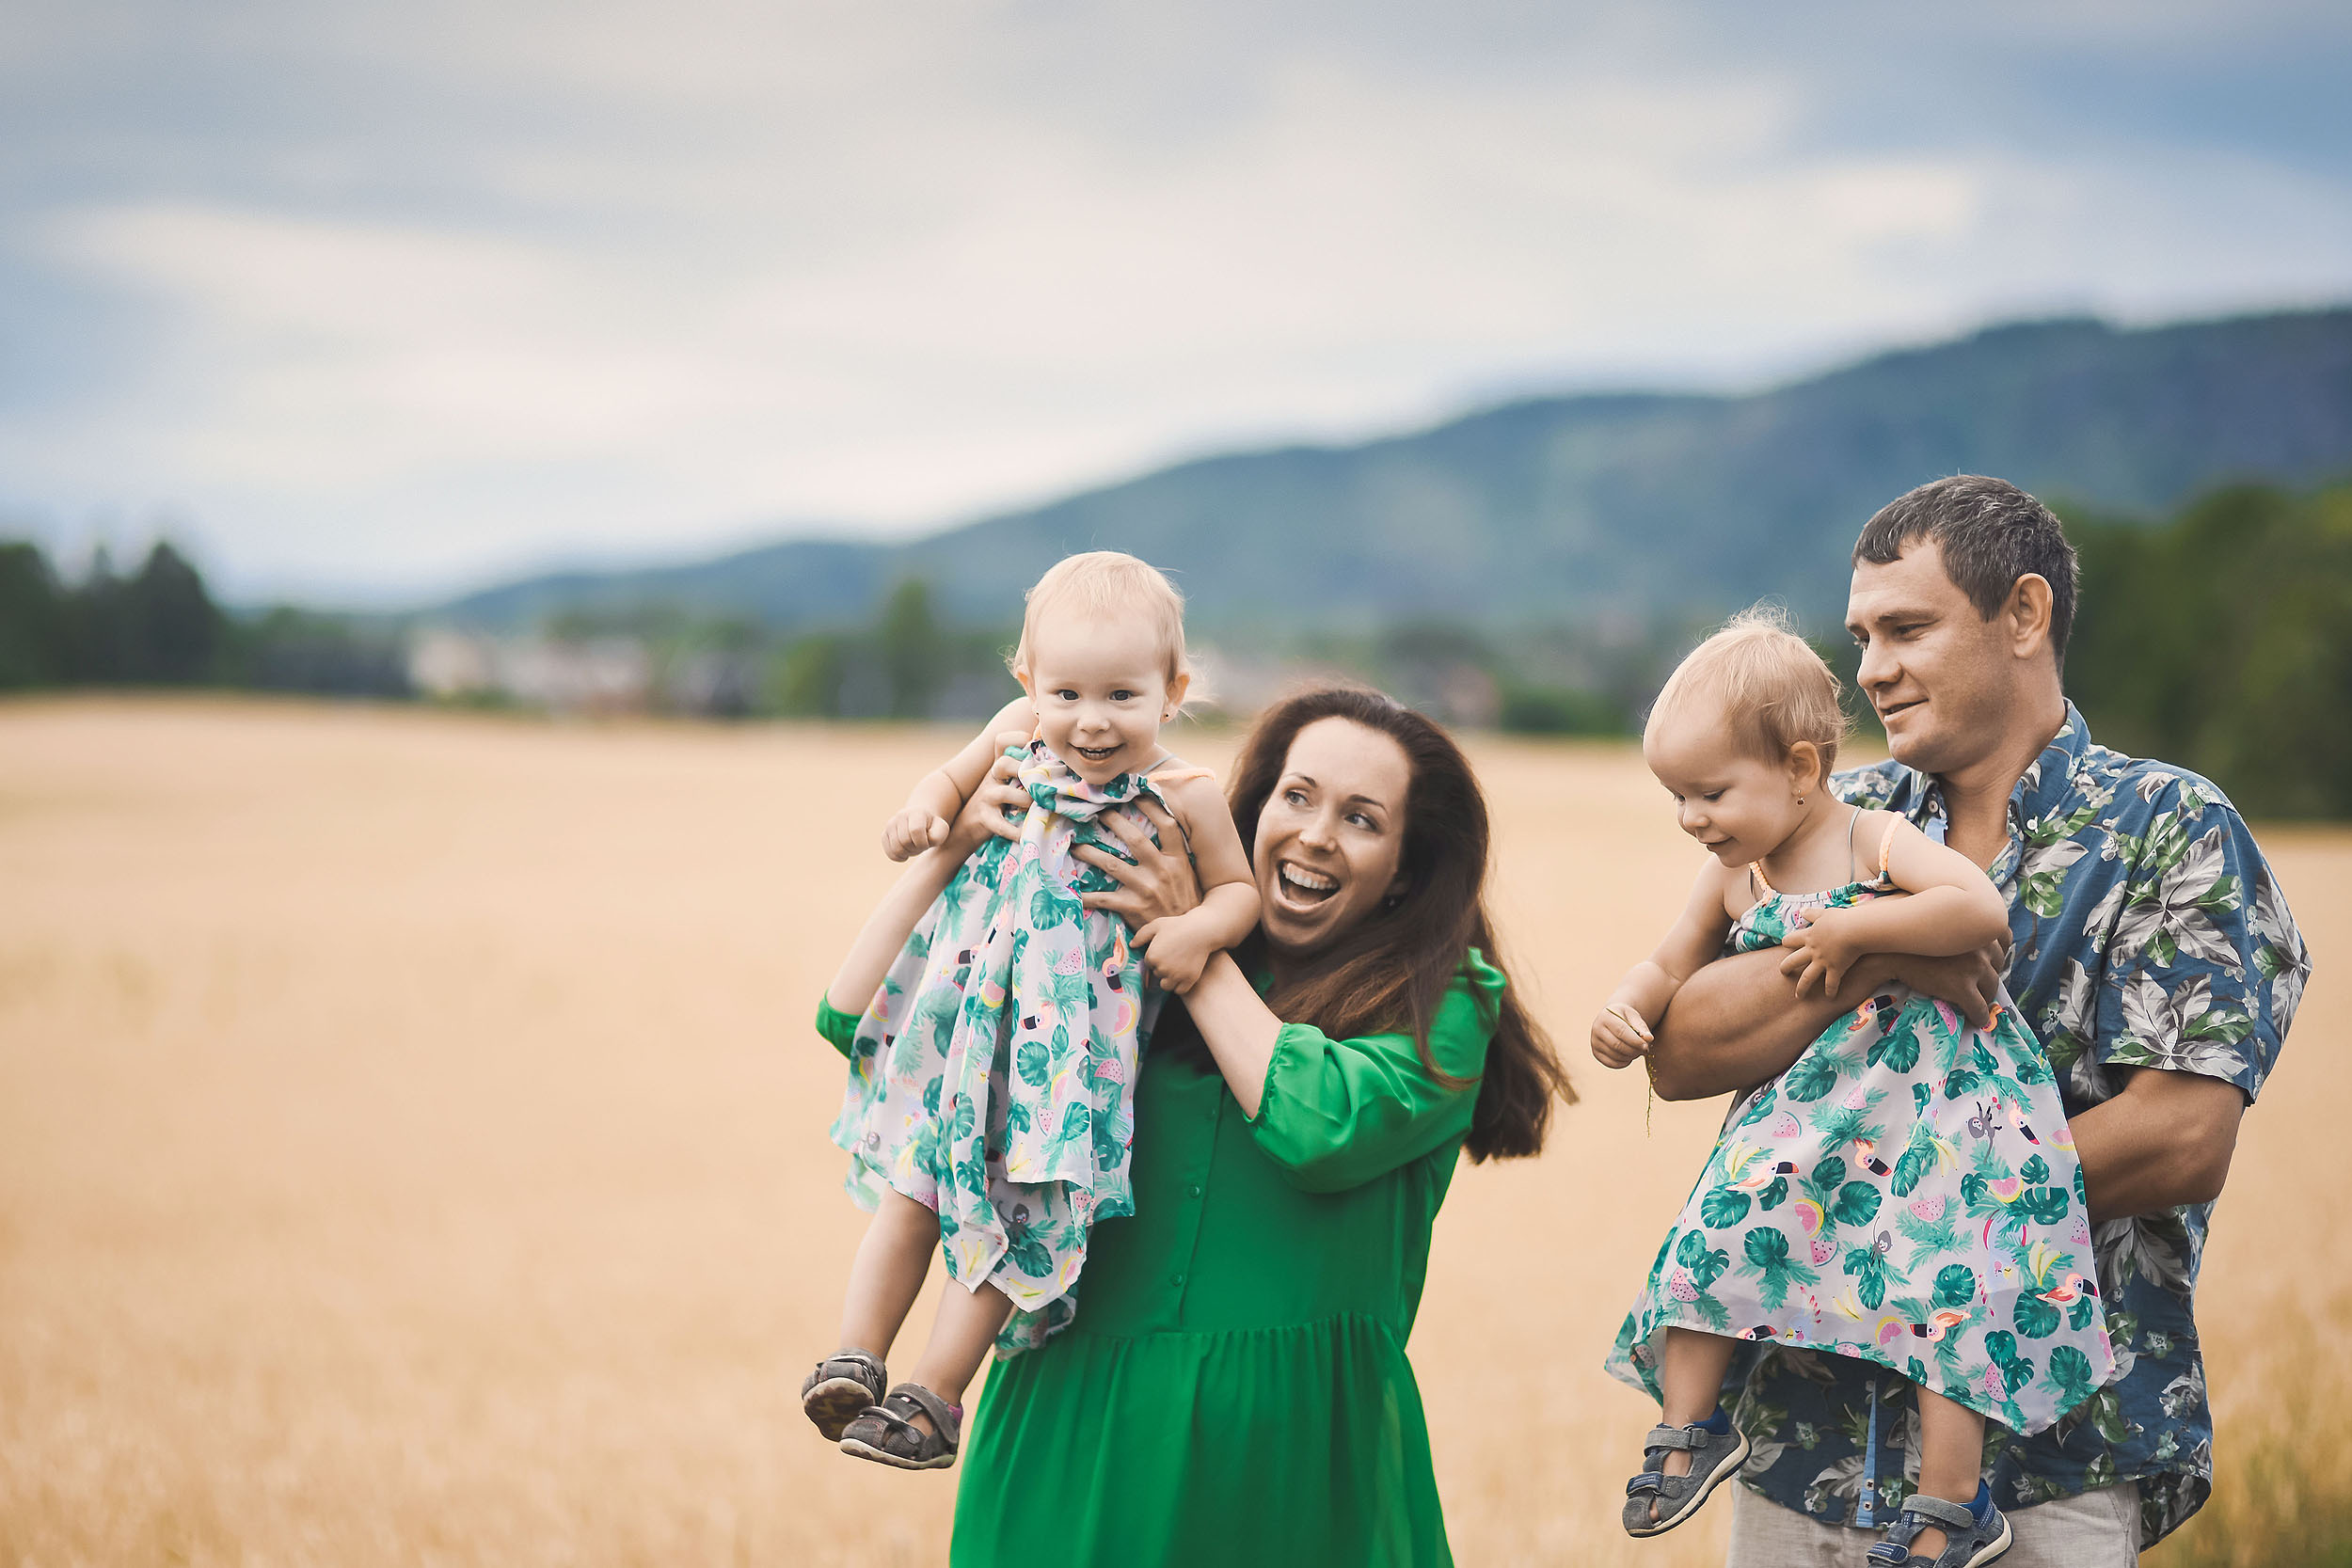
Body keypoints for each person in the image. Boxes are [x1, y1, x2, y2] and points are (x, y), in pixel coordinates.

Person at [1645, 476, 2312, 1566]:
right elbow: (1680, 1050)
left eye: (1906, 628)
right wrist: (1877, 955)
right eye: (1860, 637)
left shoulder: (2168, 826)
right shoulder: (1830, 815)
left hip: (2043, 1468)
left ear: (2024, 614)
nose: (1869, 668)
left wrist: (1898, 1213)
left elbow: (2182, 1134)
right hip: (1799, 1449)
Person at [814, 684, 1574, 1564]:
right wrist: (953, 849)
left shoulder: (1444, 999)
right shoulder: (1108, 944)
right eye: (1297, 796)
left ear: (1406, 868)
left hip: (1292, 1475)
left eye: (1362, 818)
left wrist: (1194, 946)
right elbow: (858, 1017)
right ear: (1255, 811)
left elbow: (1321, 1129)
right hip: (1063, 1445)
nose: (1316, 834)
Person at [1593, 610, 2108, 1568]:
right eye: (1677, 797)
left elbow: (1975, 905)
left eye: (1710, 792)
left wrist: (1859, 930)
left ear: (1799, 767)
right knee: (1713, 1229)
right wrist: (1624, 1008)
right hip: (1809, 1115)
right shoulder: (1732, 876)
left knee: (1948, 1279)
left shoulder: (1871, 837)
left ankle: (1953, 1503)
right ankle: (1690, 1427)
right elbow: (1666, 967)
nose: (1692, 818)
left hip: (1935, 1105)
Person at [803, 551, 1262, 1470]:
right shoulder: (1015, 736)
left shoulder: (1188, 795)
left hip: (1068, 1063)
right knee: (912, 1191)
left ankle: (934, 1397)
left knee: (1016, 1215)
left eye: (1122, 695)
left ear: (1172, 691)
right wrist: (921, 815)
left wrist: (1199, 930)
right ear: (1027, 682)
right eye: (1068, 693)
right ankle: (854, 1355)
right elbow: (945, 783)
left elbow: (1237, 891)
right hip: (964, 1030)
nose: (1092, 720)